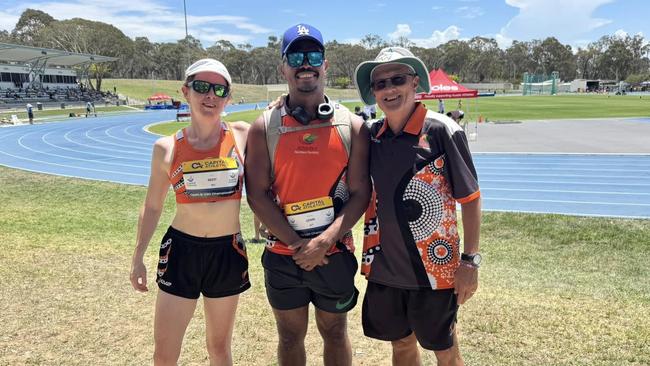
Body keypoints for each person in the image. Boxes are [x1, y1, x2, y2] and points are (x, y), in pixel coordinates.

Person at [245, 23, 370, 366]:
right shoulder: (264, 127)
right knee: (288, 335)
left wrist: (324, 243)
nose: (306, 63)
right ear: (283, 67)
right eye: (296, 56)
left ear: (325, 65)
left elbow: (361, 193)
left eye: (314, 55)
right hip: (283, 255)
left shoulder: (351, 126)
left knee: (334, 332)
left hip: (334, 253)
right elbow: (255, 194)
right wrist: (299, 245)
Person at [354, 47, 482, 366]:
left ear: (415, 83)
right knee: (400, 344)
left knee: (445, 349)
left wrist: (470, 262)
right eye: (380, 84)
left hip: (435, 271)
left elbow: (471, 198)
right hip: (386, 269)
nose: (389, 89)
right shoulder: (372, 136)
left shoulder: (442, 130)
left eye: (398, 79)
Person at [129, 58, 251, 365]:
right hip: (182, 251)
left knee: (219, 347)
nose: (210, 95)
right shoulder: (166, 148)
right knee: (165, 351)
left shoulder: (242, 135)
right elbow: (153, 205)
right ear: (186, 92)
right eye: (201, 87)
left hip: (227, 251)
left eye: (219, 89)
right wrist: (138, 257)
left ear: (228, 98)